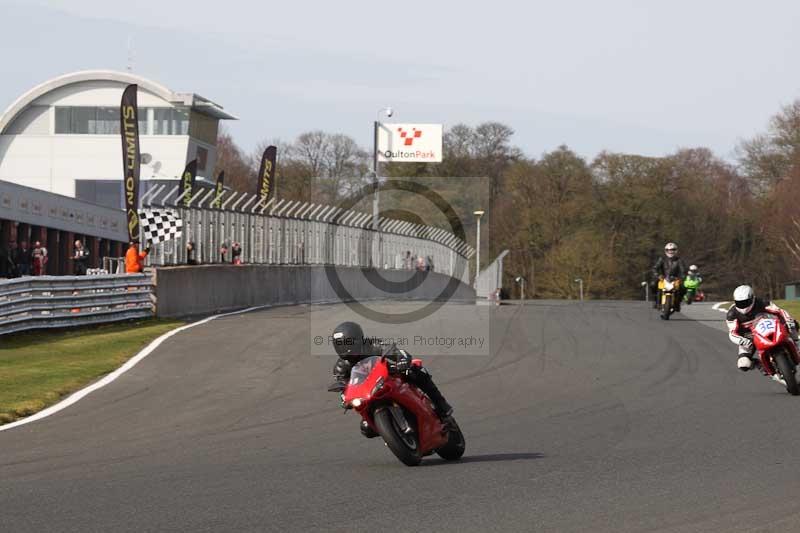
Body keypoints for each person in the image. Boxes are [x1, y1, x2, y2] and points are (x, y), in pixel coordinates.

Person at [328, 321, 453, 438]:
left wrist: (401, 360)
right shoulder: (340, 368)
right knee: (366, 428)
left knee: (416, 370)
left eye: (347, 342)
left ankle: (442, 407)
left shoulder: (373, 345)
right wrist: (344, 398)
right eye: (340, 344)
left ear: (357, 339)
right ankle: (392, 434)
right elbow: (345, 387)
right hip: (368, 395)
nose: (344, 347)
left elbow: (393, 351)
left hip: (389, 379)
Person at [727, 285, 800, 371]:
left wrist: (788, 320)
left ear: (752, 298)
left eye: (745, 302)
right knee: (743, 364)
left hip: (768, 327)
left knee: (793, 324)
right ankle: (759, 364)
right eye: (740, 303)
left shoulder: (761, 302)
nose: (743, 306)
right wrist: (742, 341)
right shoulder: (732, 314)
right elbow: (732, 333)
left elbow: (779, 311)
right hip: (748, 337)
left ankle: (796, 343)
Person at [652, 242, 687, 311]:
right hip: (663, 278)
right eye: (668, 250)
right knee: (653, 284)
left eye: (672, 250)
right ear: (666, 251)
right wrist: (658, 275)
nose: (670, 251)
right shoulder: (662, 259)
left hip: (675, 279)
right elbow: (655, 268)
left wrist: (682, 277)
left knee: (683, 287)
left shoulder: (679, 260)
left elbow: (683, 271)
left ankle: (678, 303)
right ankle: (656, 301)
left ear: (676, 250)